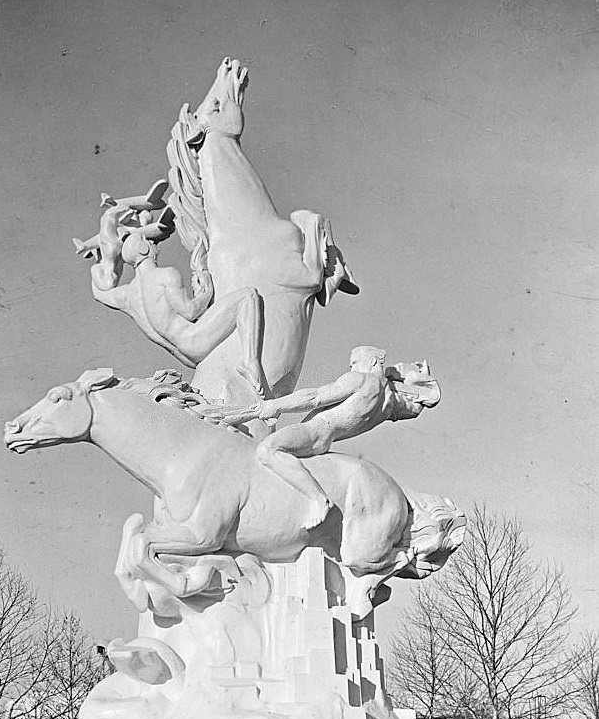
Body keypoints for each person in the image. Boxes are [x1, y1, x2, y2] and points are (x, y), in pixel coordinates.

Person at [203, 346, 440, 529]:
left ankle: (318, 499)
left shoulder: (360, 379)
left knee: (268, 450)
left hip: (316, 431)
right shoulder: (389, 405)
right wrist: (413, 376)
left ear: (372, 361)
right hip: (325, 440)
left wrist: (275, 405)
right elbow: (419, 405)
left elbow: (314, 397)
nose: (351, 368)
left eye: (354, 363)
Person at [87, 203, 266, 396]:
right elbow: (190, 311)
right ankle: (250, 362)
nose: (154, 245)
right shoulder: (165, 276)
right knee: (248, 296)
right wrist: (205, 292)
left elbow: (100, 293)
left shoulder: (127, 295)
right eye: (149, 242)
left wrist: (108, 259)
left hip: (184, 355)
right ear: (143, 248)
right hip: (195, 341)